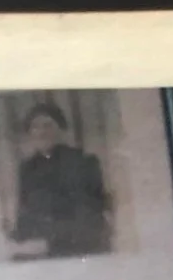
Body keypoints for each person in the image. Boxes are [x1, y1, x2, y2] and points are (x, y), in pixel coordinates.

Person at [8, 101, 112, 260]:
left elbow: (94, 206)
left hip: (81, 243)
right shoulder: (27, 169)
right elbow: (25, 209)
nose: (42, 132)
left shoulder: (83, 161)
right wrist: (20, 236)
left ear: (61, 129)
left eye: (48, 125)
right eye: (35, 127)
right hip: (42, 244)